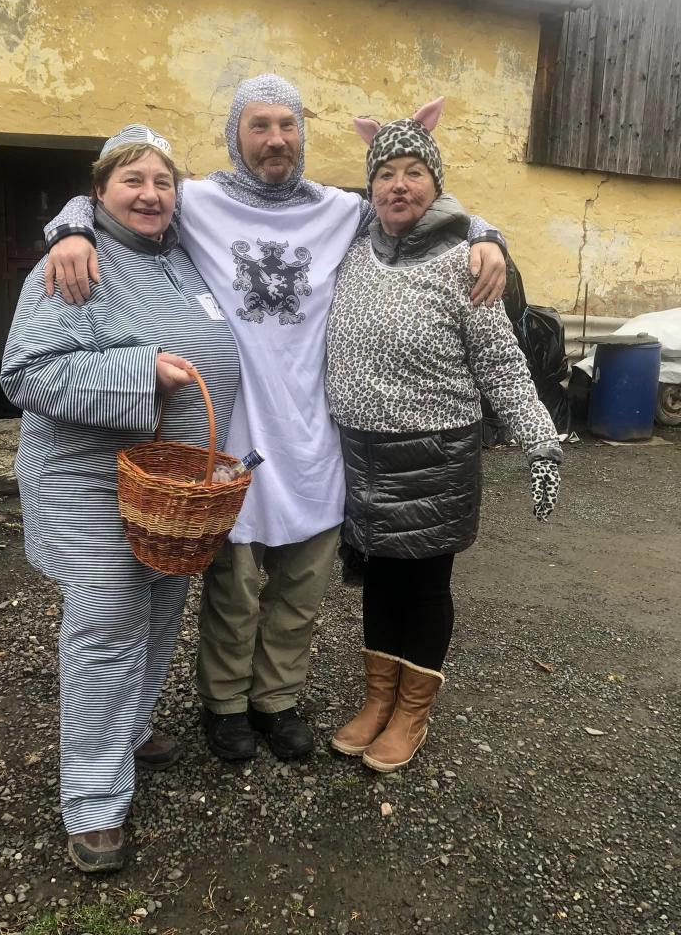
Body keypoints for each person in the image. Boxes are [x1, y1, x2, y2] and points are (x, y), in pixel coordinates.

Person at [41, 75, 508, 764]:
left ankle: (277, 700)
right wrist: (69, 229)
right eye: (258, 125)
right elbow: (119, 190)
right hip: (235, 431)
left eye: (287, 125)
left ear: (302, 134)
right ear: (236, 135)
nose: (275, 139)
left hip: (314, 434)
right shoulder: (197, 201)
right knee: (233, 586)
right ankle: (225, 702)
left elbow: (416, 202)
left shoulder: (339, 210)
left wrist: (486, 235)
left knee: (301, 586)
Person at [1, 125, 240, 873]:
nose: (150, 194)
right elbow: (25, 371)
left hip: (168, 491)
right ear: (99, 191)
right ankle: (94, 802)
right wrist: (141, 372)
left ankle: (130, 729)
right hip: (87, 479)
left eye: (163, 181)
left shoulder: (181, 256)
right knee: (107, 621)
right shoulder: (76, 262)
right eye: (132, 180)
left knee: (162, 606)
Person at [324, 100, 562, 773]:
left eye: (414, 172)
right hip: (363, 456)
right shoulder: (352, 251)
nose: (398, 185)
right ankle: (378, 700)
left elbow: (501, 363)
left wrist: (541, 441)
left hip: (436, 457)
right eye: (385, 174)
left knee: (424, 587)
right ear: (370, 187)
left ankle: (411, 714)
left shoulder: (466, 263)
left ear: (436, 183)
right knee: (379, 582)